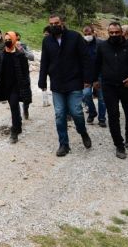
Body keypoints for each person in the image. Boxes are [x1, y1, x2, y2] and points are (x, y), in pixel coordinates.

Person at [39, 13, 93, 156]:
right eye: (51, 24)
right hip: (57, 83)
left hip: (74, 81)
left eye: (56, 23)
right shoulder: (47, 41)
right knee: (59, 114)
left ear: (62, 22)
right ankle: (64, 144)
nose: (54, 26)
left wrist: (88, 79)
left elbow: (85, 58)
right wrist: (42, 80)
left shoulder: (75, 37)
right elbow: (44, 61)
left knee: (76, 112)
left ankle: (83, 132)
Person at [94, 22, 128, 159]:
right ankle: (119, 145)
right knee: (113, 115)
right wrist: (95, 80)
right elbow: (97, 64)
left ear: (122, 32)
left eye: (117, 32)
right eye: (111, 32)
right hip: (109, 86)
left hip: (127, 86)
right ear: (108, 33)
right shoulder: (102, 46)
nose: (114, 34)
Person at [0, 32, 32, 143]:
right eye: (6, 40)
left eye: (9, 39)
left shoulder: (20, 55)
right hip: (6, 86)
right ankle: (18, 125)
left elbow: (25, 72)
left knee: (14, 106)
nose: (7, 41)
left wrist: (26, 86)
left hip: (17, 86)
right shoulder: (2, 54)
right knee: (13, 106)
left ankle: (14, 132)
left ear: (14, 40)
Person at [82, 25, 106, 125]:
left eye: (89, 34)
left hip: (100, 74)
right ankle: (92, 112)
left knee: (102, 98)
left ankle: (102, 119)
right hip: (87, 75)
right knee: (86, 94)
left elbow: (105, 61)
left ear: (93, 33)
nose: (87, 36)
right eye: (85, 34)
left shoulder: (101, 43)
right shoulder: (81, 44)